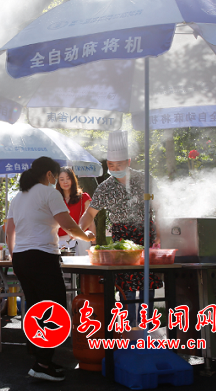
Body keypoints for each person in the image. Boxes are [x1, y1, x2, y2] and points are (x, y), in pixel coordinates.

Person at [5, 156, 95, 381]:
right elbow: (68, 225)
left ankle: (40, 358)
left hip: (22, 258)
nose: (56, 181)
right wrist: (87, 236)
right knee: (54, 308)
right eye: (55, 176)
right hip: (42, 257)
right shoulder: (49, 193)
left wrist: (14, 257)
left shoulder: (18, 196)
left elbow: (9, 232)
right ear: (48, 174)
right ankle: (42, 364)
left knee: (35, 308)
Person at [78, 130, 163, 326]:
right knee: (126, 284)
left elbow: (159, 207)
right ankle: (129, 325)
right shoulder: (105, 187)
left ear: (129, 161)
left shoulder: (145, 179)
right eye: (111, 165)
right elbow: (89, 214)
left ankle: (148, 325)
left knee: (147, 283)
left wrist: (160, 233)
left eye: (119, 165)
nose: (115, 168)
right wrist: (79, 231)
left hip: (146, 234)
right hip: (122, 240)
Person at [56, 166, 96, 255]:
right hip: (60, 242)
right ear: (58, 182)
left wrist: (94, 244)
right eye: (62, 179)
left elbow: (91, 222)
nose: (65, 182)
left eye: (68, 178)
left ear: (73, 180)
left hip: (81, 240)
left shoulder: (84, 197)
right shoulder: (54, 200)